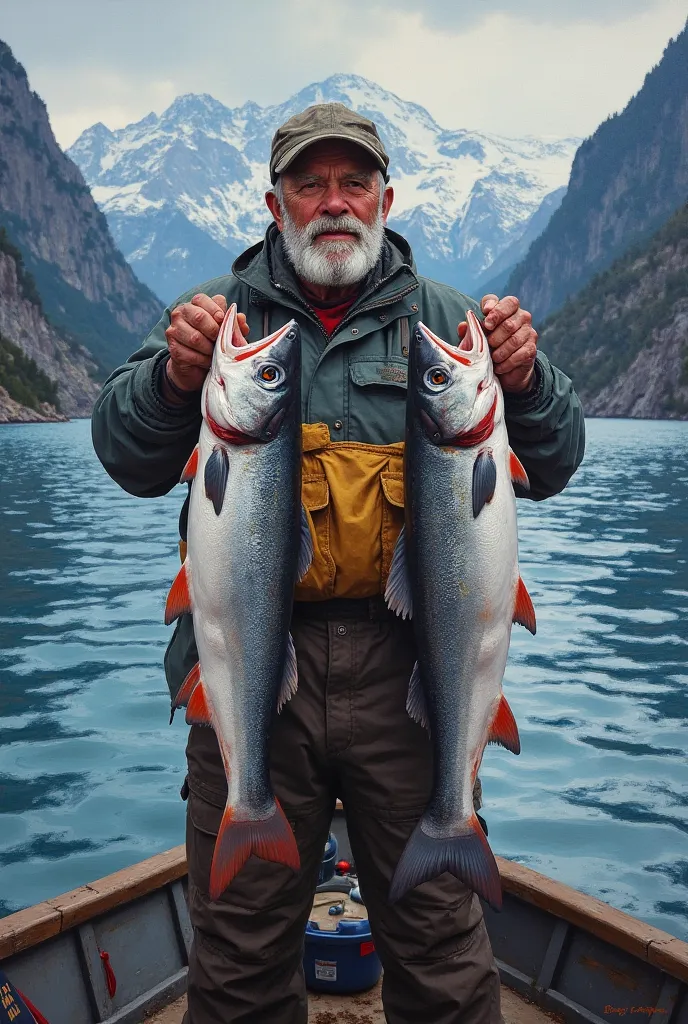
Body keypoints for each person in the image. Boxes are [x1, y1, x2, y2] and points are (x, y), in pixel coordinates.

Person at [92, 102, 585, 1024]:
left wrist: (528, 380)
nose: (333, 203)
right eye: (308, 184)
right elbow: (124, 454)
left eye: (353, 182)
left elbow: (555, 461)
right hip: (249, 664)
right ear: (273, 203)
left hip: (412, 672)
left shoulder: (449, 323)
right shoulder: (215, 320)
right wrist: (170, 381)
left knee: (441, 949)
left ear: (386, 199)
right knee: (237, 959)